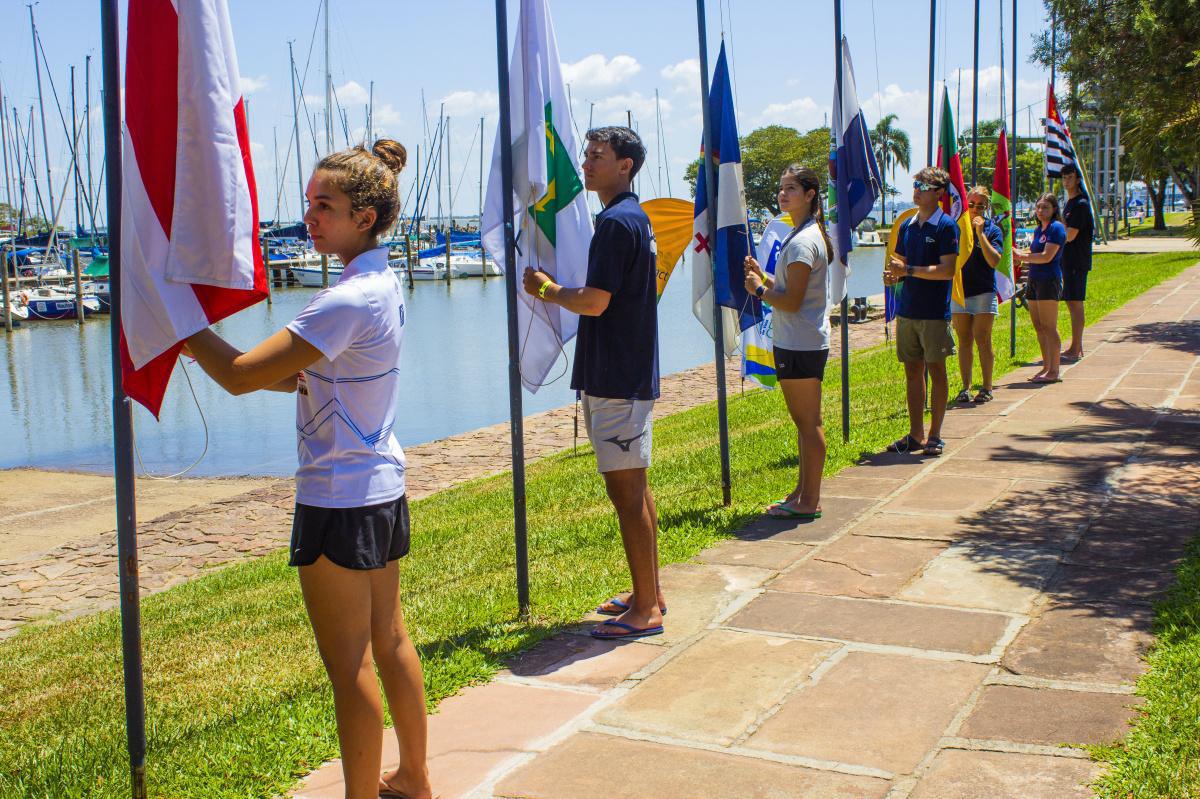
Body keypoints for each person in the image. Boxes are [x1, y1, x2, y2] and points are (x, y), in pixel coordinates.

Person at [184, 140, 433, 799]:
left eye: (326, 205)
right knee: (390, 640)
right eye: (308, 204)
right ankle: (413, 777)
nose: (311, 217)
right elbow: (300, 377)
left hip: (340, 496)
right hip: (380, 484)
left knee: (349, 661)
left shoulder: (345, 300)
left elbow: (239, 377)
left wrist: (179, 321)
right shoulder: (383, 283)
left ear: (367, 216)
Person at [521, 126, 664, 641]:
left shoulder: (616, 224)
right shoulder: (633, 219)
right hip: (625, 371)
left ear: (625, 165)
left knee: (628, 495)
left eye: (597, 156)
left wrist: (548, 289)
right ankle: (649, 591)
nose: (586, 163)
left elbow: (596, 301)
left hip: (618, 377)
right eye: (586, 154)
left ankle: (646, 608)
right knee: (637, 490)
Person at [743, 164, 832, 519]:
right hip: (799, 340)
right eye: (782, 188)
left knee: (809, 423)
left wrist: (759, 290)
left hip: (800, 343)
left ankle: (810, 501)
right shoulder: (804, 234)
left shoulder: (803, 242)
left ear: (810, 195)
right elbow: (793, 290)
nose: (783, 194)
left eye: (792, 188)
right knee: (804, 423)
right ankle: (802, 491)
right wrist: (763, 275)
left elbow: (791, 301)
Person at [883, 167, 959, 456]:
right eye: (915, 184)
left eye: (923, 186)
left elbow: (947, 270)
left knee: (937, 371)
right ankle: (915, 434)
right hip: (908, 310)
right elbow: (899, 263)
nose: (916, 190)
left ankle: (935, 435)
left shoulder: (946, 226)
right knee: (912, 372)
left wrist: (909, 271)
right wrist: (894, 276)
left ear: (939, 193)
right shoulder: (907, 225)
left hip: (934, 313)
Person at [951, 186, 1005, 404]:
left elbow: (994, 260)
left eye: (980, 205)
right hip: (961, 291)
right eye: (971, 204)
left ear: (986, 207)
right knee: (964, 340)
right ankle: (965, 387)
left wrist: (980, 234)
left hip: (983, 291)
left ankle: (987, 387)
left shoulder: (993, 230)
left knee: (982, 338)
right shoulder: (957, 227)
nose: (975, 209)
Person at [1014, 193, 1067, 383]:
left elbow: (1046, 256)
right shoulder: (1038, 231)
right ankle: (1046, 366)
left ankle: (1055, 369)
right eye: (1038, 207)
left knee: (1049, 327)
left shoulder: (1056, 228)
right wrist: (1019, 253)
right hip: (1034, 280)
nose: (1041, 211)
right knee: (1038, 326)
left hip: (1049, 280)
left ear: (1054, 209)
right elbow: (1034, 251)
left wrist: (1022, 257)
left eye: (1045, 207)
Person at [1060, 163, 1094, 362]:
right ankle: (1074, 345)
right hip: (1068, 260)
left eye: (1070, 177)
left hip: (1077, 260)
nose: (1066, 181)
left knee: (1076, 302)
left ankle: (1077, 346)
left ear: (1078, 179)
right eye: (1064, 178)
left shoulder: (1080, 204)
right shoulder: (1070, 203)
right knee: (1071, 302)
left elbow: (1070, 235)